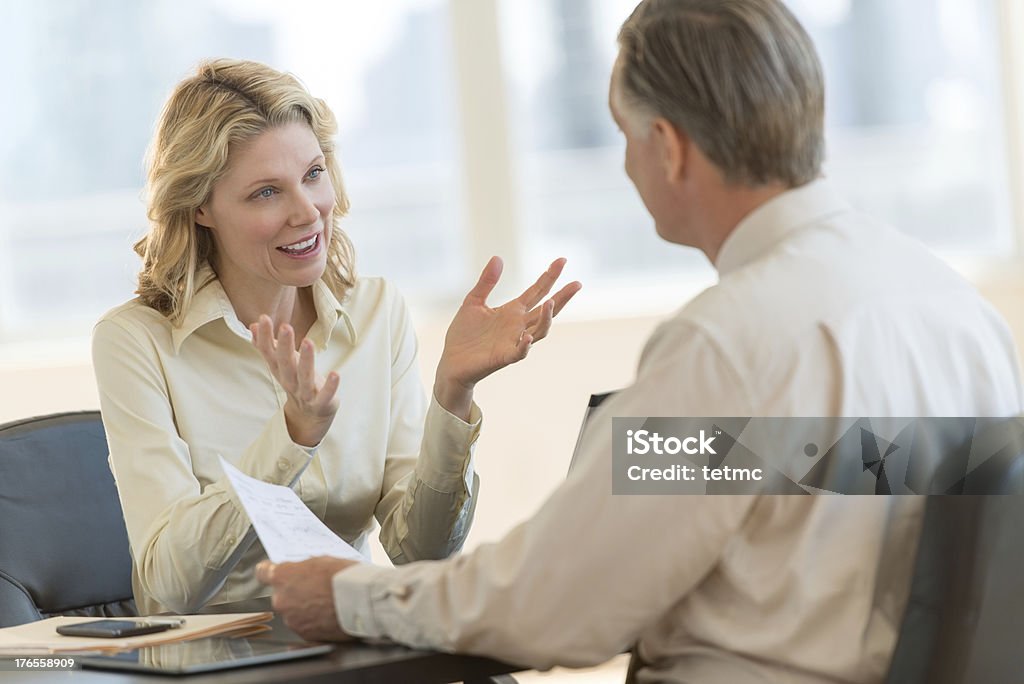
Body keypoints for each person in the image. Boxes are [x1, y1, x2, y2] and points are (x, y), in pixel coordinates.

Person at [257, 1, 1024, 682]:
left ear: (668, 145)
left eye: (624, 135)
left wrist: (345, 594)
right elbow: (845, 471)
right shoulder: (962, 314)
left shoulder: (724, 346)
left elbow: (551, 603)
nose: (624, 161)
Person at [92, 58, 581, 616]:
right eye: (265, 193)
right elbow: (165, 587)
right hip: (222, 662)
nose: (308, 212)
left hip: (356, 642)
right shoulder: (135, 342)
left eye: (313, 174)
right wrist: (290, 439)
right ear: (200, 206)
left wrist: (453, 394)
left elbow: (421, 552)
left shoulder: (376, 311)